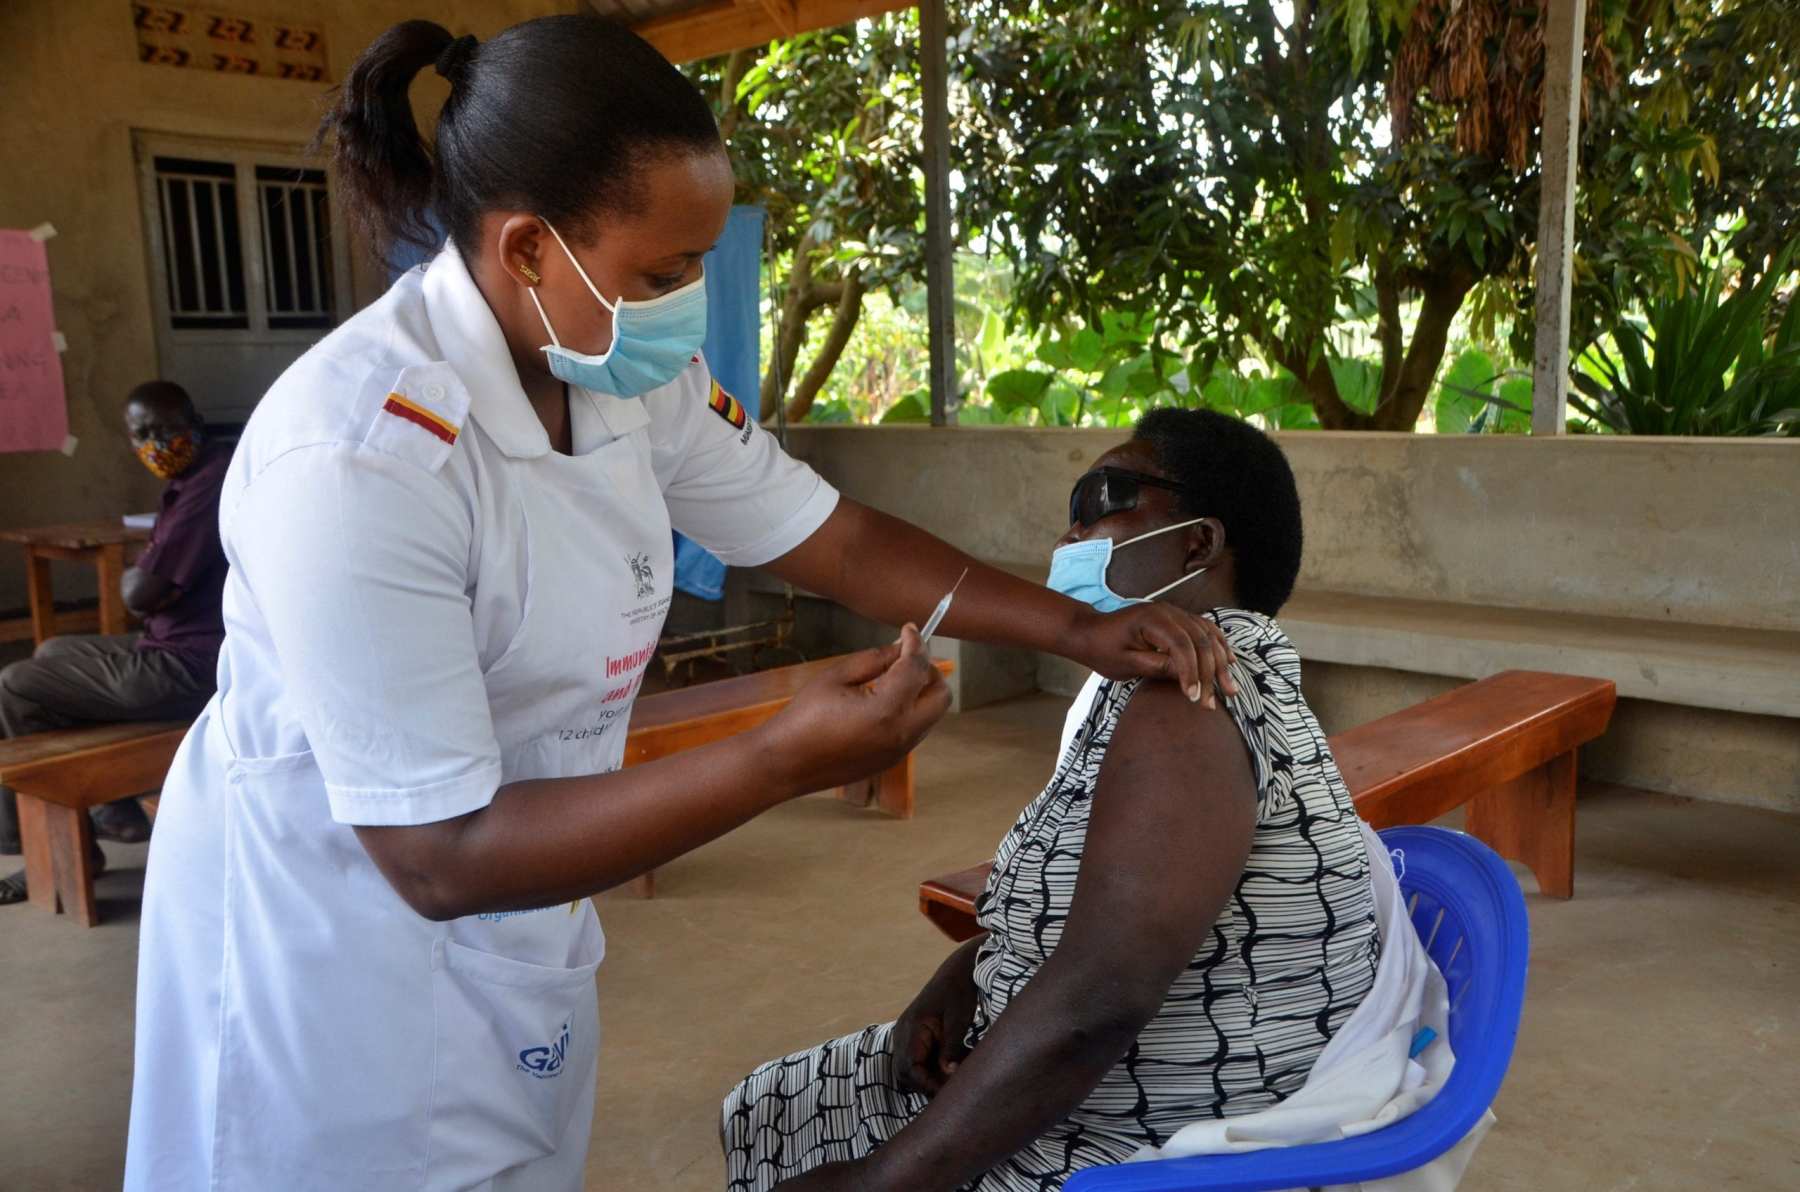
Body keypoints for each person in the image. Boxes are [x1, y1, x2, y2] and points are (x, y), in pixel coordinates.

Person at [123, 17, 1236, 1191]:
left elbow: (835, 537)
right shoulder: (361, 458)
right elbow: (437, 856)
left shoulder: (615, 369)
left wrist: (1076, 629)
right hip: (341, 952)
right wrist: (779, 758)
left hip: (521, 909)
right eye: (663, 272)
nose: (689, 302)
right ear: (528, 250)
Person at [722, 409, 1381, 1192]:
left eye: (1103, 496)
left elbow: (1102, 996)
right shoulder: (1149, 687)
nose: (1070, 531)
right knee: (770, 1101)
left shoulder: (1190, 698)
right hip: (1071, 1085)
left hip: (1124, 1143)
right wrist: (961, 976)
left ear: (1198, 544)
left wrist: (881, 1183)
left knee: (789, 1132)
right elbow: (1096, 913)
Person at [0, 381, 228, 905]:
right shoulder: (194, 477)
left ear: (194, 419)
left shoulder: (208, 484)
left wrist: (143, 578)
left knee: (17, 685)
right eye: (141, 433)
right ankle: (111, 806)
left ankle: (38, 852)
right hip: (167, 647)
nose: (156, 442)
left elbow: (140, 592)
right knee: (52, 653)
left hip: (190, 666)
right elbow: (147, 591)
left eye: (166, 427)